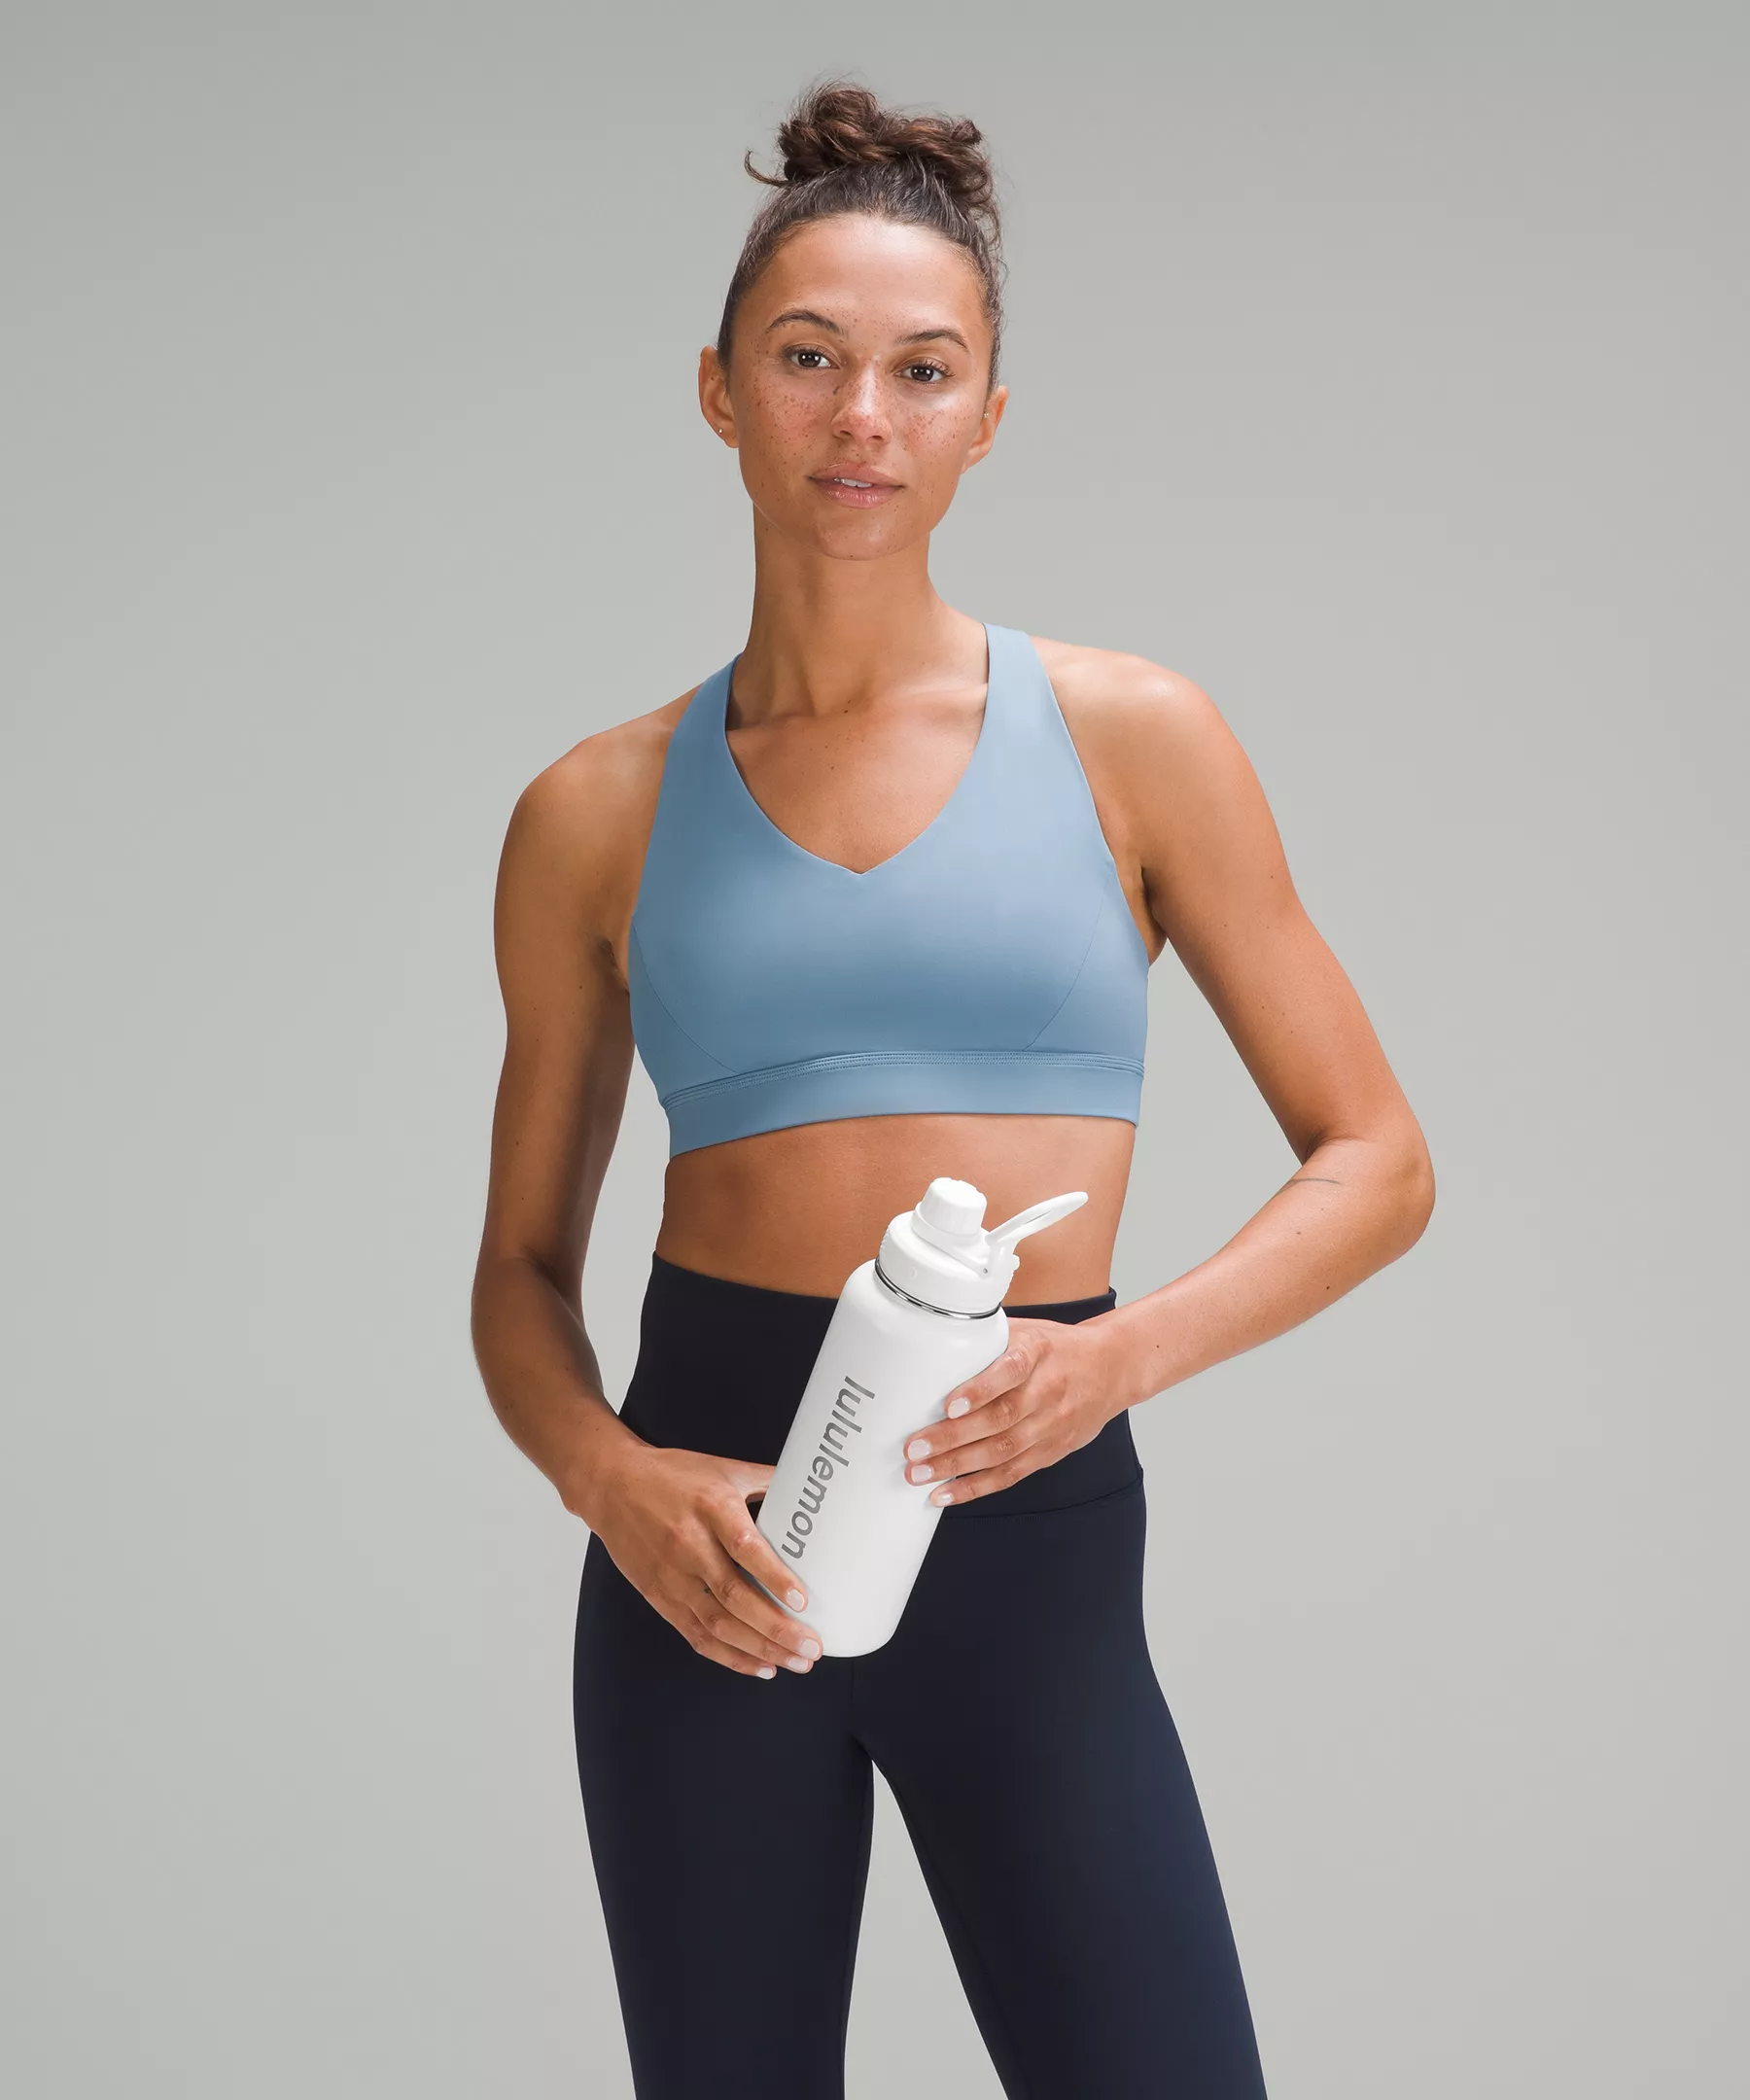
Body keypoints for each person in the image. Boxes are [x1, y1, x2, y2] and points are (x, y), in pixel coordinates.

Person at [471, 78, 1434, 2100]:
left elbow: (1378, 1160)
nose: (863, 416)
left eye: (923, 369)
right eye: (807, 358)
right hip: (703, 1550)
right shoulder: (592, 814)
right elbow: (520, 1276)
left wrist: (1120, 1358)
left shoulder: (1132, 739)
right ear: (719, 390)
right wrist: (613, 1481)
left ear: (989, 414)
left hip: (1028, 1526)